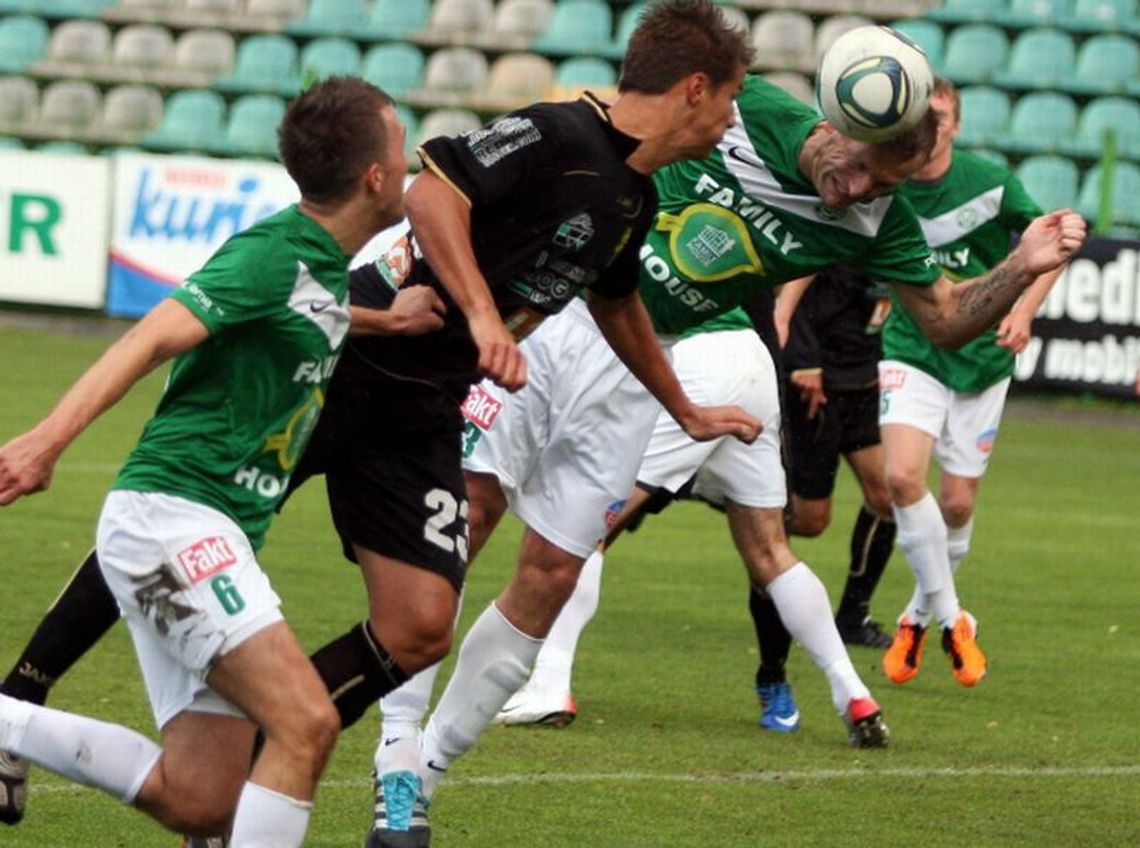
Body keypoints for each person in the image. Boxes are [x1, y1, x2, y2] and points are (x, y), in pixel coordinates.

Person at [0, 2, 760, 839]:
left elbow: (620, 306)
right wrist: (477, 316)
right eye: (728, 100)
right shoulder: (557, 133)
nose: (729, 121)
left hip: (419, 408)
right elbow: (437, 199)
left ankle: (261, 753)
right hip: (347, 370)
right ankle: (22, 696)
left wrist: (682, 409)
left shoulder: (634, 200)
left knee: (421, 623)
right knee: (183, 510)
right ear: (694, 88)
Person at [369, 72, 1086, 847]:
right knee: (467, 516)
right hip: (560, 307)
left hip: (649, 360)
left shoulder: (881, 220)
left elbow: (945, 319)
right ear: (840, 122)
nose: (859, 193)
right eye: (862, 168)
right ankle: (394, 749)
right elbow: (655, 86)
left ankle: (425, 777)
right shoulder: (764, 109)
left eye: (886, 184)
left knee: (554, 572)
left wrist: (1024, 265)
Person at [0, 77, 409, 847]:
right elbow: (149, 335)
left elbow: (308, 313)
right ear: (376, 178)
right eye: (400, 144)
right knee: (306, 722)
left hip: (202, 528)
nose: (410, 157)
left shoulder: (316, 261)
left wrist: (385, 320)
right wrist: (47, 440)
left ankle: (8, 721)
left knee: (201, 801)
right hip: (171, 519)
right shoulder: (270, 252)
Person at [879, 78, 1066, 688]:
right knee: (902, 477)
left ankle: (916, 615)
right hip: (914, 347)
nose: (929, 125)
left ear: (953, 125)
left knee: (957, 503)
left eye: (939, 114)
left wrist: (1024, 309)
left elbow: (1053, 243)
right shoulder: (891, 181)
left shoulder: (991, 182)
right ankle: (955, 618)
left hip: (982, 360)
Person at [774, 266, 897, 649]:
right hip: (818, 385)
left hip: (866, 383)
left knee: (888, 497)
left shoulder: (900, 231)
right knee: (811, 521)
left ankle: (852, 616)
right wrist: (803, 360)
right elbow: (794, 277)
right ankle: (733, 501)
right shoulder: (840, 221)